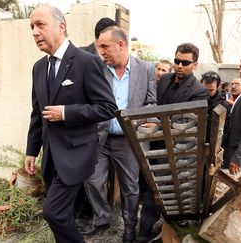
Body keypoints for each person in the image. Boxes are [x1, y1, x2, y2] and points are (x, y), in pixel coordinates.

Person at [25, 5, 117, 242]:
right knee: (63, 213)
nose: (35, 32)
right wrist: (31, 151)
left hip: (76, 156)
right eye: (32, 26)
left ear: (61, 26)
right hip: (51, 159)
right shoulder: (38, 68)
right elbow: (38, 113)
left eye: (41, 25)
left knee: (52, 212)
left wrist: (66, 112)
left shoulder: (86, 62)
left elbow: (107, 108)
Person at [82, 26, 156, 243]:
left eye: (104, 47)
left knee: (130, 188)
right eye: (99, 47)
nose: (101, 52)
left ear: (121, 45)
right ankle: (102, 219)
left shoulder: (146, 69)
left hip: (129, 141)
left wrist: (144, 122)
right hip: (100, 138)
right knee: (92, 179)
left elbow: (151, 102)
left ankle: (129, 227)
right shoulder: (98, 67)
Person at [137, 43, 209, 243]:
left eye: (185, 62)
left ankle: (144, 235)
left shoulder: (199, 91)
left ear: (194, 65)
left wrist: (156, 121)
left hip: (178, 152)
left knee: (157, 195)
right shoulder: (164, 79)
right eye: (177, 61)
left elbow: (184, 124)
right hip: (153, 145)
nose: (179, 65)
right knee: (148, 189)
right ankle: (149, 230)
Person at [75, 17, 117, 223]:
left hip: (116, 130)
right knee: (88, 175)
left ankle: (105, 214)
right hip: (90, 129)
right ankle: (86, 211)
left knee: (108, 177)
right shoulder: (80, 55)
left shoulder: (116, 55)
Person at [201, 71, 229, 141]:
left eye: (211, 90)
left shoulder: (223, 104)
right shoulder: (195, 98)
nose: (207, 93)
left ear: (218, 86)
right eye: (204, 89)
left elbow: (226, 128)